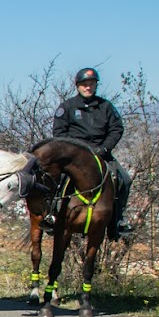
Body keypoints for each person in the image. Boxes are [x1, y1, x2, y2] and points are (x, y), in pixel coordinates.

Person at [53, 67, 132, 238]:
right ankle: (52, 215)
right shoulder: (67, 107)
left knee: (124, 179)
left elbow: (116, 129)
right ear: (77, 86)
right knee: (55, 177)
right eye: (84, 84)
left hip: (101, 153)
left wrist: (105, 148)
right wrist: (74, 151)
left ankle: (118, 220)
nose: (88, 87)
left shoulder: (106, 107)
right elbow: (59, 133)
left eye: (91, 84)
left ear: (96, 85)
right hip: (74, 156)